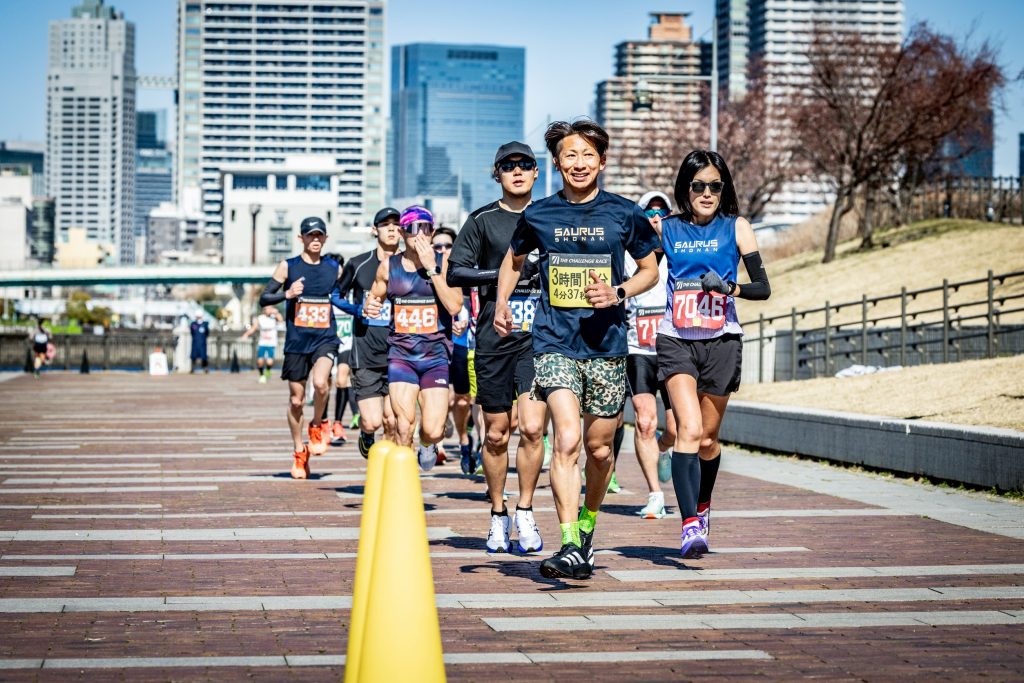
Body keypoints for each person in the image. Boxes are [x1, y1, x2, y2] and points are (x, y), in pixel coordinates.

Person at [495, 121, 660, 578]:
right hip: (554, 341)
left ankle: (587, 524)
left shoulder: (625, 213)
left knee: (599, 450)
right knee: (566, 439)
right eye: (570, 155)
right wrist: (502, 302)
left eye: (588, 155)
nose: (579, 163)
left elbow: (649, 270)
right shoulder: (539, 214)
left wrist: (618, 292)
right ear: (557, 163)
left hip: (606, 344)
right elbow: (514, 259)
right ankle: (569, 543)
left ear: (602, 162)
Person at [657, 150, 772, 558]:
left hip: (722, 340)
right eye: (698, 186)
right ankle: (689, 524)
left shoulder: (737, 227)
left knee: (707, 439)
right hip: (676, 339)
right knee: (687, 429)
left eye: (715, 186)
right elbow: (641, 270)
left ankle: (703, 506)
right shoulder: (666, 228)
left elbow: (763, 287)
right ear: (685, 189)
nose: (707, 193)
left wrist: (728, 289)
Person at [448, 141, 549, 554]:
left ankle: (525, 509)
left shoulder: (551, 216)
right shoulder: (482, 220)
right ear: (497, 174)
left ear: (537, 172)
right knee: (495, 434)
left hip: (539, 338)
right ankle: (497, 513)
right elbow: (456, 272)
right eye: (509, 166)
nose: (518, 171)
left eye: (526, 164)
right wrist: (506, 273)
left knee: (532, 427)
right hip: (495, 337)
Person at [364, 206, 463, 470]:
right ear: (402, 233)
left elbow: (454, 306)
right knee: (403, 425)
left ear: (432, 232)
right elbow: (374, 298)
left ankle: (428, 443)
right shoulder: (389, 266)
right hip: (401, 356)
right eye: (411, 228)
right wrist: (369, 306)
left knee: (433, 429)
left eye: (425, 228)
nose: (418, 234)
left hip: (435, 357)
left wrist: (432, 268)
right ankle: (404, 482)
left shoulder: (445, 263)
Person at [258, 216, 342, 479]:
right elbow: (264, 298)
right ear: (301, 238)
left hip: (325, 338)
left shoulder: (334, 268)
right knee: (296, 400)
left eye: (319, 235)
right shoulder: (288, 266)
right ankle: (299, 450)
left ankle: (317, 424)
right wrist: (287, 294)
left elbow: (350, 294)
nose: (315, 239)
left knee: (321, 383)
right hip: (297, 342)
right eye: (310, 235)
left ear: (325, 238)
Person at [626, 191, 678, 519]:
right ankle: (655, 495)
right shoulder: (628, 255)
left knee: (674, 428)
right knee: (645, 421)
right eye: (649, 211)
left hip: (673, 347)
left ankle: (663, 448)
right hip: (638, 349)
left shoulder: (679, 253)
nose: (656, 217)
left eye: (662, 212)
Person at [336, 208, 402, 457]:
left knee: (392, 421)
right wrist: (358, 309)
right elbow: (335, 295)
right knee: (373, 421)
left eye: (396, 224)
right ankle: (366, 433)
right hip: (366, 354)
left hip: (400, 353)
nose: (392, 228)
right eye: (385, 224)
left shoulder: (409, 264)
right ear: (375, 230)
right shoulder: (358, 263)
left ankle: (387, 472)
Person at [240, 306, 283, 383]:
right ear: (264, 310)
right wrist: (246, 335)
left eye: (270, 308)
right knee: (260, 361)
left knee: (269, 362)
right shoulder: (260, 318)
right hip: (262, 342)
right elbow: (253, 328)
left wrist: (276, 312)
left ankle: (268, 370)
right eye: (267, 308)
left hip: (271, 343)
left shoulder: (274, 317)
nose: (268, 310)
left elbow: (281, 320)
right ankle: (261, 375)